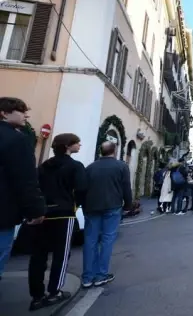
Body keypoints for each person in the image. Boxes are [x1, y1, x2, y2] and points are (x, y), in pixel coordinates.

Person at [28, 133, 86, 310]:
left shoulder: (44, 166)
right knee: (61, 255)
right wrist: (75, 205)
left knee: (38, 255)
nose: (80, 145)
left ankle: (37, 295)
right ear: (68, 146)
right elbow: (82, 189)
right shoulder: (75, 166)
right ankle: (55, 292)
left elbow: (35, 186)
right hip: (64, 213)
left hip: (43, 213)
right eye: (77, 143)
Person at [0, 97, 45, 280]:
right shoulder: (17, 140)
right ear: (4, 113)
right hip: (3, 212)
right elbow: (25, 178)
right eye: (21, 110)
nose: (25, 115)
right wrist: (35, 209)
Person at [81, 141, 132, 288]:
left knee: (90, 241)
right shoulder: (121, 167)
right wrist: (128, 205)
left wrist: (84, 206)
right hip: (113, 206)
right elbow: (126, 187)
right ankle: (101, 275)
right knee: (107, 240)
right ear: (114, 151)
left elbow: (83, 189)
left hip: (92, 207)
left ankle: (87, 277)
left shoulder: (90, 168)